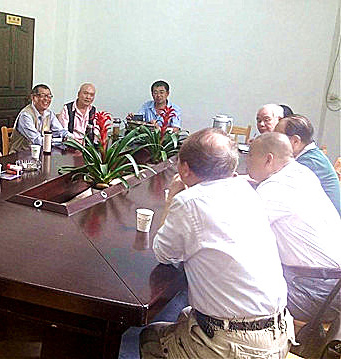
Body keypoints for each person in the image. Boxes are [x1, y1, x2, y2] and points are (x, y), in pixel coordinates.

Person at [139, 128, 293, 359]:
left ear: (184, 169)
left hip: (236, 346)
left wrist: (172, 198)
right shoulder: (246, 190)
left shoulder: (189, 201)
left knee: (150, 338)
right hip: (279, 333)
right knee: (185, 315)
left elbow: (164, 253)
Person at [247, 132, 341, 322]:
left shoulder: (273, 188)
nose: (247, 163)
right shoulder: (302, 173)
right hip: (331, 286)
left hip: (314, 292)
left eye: (250, 156)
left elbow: (241, 233)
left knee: (229, 287)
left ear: (268, 159)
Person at [274, 115, 340, 215]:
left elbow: (278, 190)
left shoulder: (308, 162)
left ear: (295, 141)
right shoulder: (309, 155)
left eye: (277, 137)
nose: (272, 141)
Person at [9, 84, 71, 153]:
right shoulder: (25, 115)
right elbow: (37, 140)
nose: (46, 99)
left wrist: (71, 138)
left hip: (41, 153)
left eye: (49, 96)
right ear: (33, 97)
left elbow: (60, 131)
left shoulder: (49, 113)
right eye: (43, 96)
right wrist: (61, 140)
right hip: (21, 155)